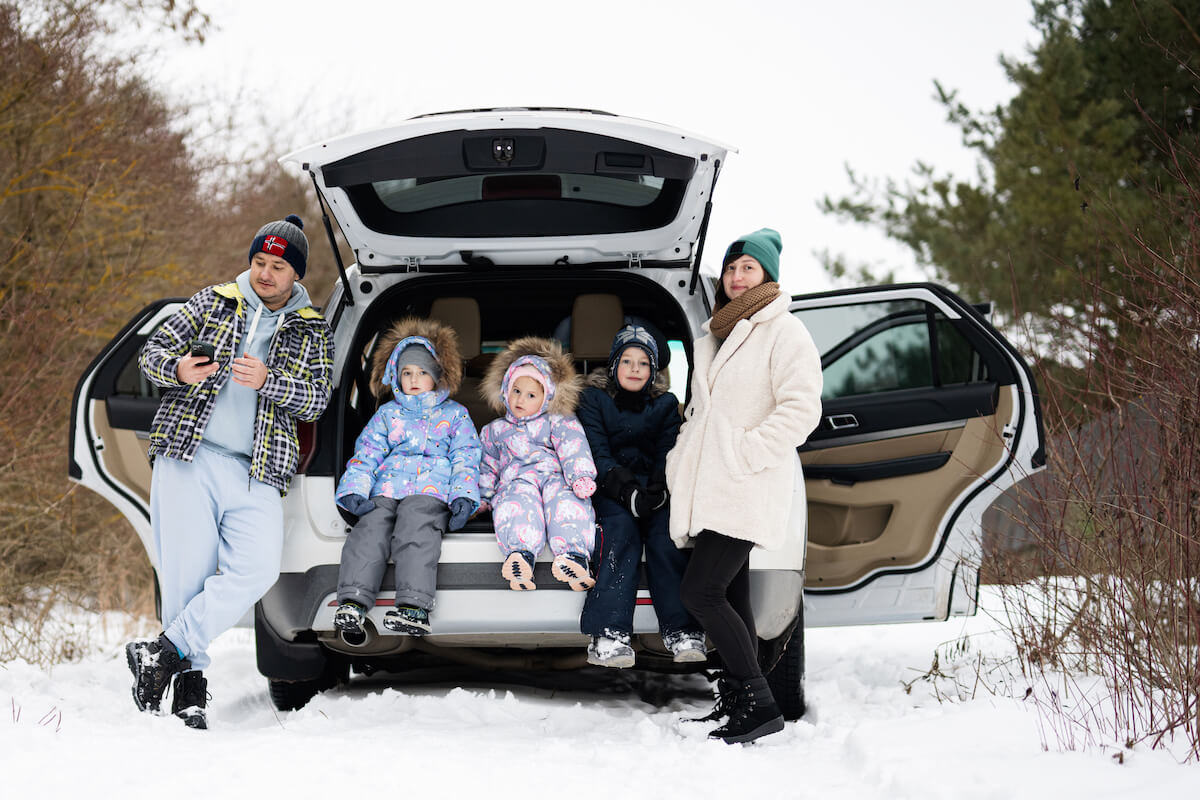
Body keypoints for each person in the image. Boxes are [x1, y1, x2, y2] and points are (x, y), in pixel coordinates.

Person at [125, 214, 334, 729]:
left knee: (257, 569)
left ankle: (164, 650)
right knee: (185, 578)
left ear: (296, 275)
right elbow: (151, 353)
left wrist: (270, 380)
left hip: (256, 470)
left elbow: (316, 398)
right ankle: (188, 693)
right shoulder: (212, 300)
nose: (266, 273)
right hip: (188, 454)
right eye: (260, 262)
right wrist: (176, 369)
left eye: (278, 266)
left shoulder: (312, 329)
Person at [665, 228, 823, 745]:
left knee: (700, 591)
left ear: (768, 276)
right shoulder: (717, 335)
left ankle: (757, 701)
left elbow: (801, 409)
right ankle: (735, 702)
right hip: (715, 487)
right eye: (731, 269)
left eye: (747, 268)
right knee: (732, 594)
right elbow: (701, 413)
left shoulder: (785, 332)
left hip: (746, 483)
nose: (736, 277)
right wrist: (682, 455)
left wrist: (747, 452)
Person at [332, 318, 481, 637]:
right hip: (386, 487)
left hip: (431, 491)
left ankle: (413, 606)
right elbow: (366, 454)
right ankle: (354, 601)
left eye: (422, 372)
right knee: (369, 528)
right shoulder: (387, 414)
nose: (414, 379)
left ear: (437, 376)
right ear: (395, 376)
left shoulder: (455, 415)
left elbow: (466, 457)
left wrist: (463, 497)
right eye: (407, 372)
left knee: (415, 528)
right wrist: (353, 491)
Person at [576, 324, 705, 668]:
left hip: (653, 490)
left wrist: (658, 490)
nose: (635, 369)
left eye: (644, 363)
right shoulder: (593, 400)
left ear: (654, 371)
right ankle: (609, 632)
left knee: (667, 537)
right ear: (614, 365)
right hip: (610, 489)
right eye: (627, 361)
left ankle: (682, 630)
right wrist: (625, 490)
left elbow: (668, 451)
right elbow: (596, 452)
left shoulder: (664, 405)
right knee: (620, 534)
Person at [478, 336, 598, 591]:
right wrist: (483, 496)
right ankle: (520, 555)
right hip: (517, 480)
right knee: (516, 504)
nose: (521, 399)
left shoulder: (558, 420)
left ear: (546, 398)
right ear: (505, 391)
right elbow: (487, 465)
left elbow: (573, 446)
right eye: (516, 391)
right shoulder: (494, 430)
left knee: (568, 503)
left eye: (531, 394)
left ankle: (573, 557)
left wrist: (580, 477)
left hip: (555, 477)